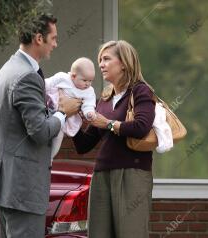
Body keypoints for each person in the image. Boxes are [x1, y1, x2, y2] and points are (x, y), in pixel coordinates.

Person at [0, 13, 82, 238]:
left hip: (7, 186)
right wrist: (64, 112)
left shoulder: (10, 68)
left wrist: (54, 112)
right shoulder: (26, 76)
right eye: (53, 38)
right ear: (38, 38)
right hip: (21, 188)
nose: (56, 43)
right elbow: (40, 132)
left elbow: (24, 122)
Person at [72, 40, 155, 238]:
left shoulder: (141, 91)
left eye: (107, 59)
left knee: (130, 234)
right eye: (100, 59)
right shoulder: (105, 99)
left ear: (124, 63)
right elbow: (84, 145)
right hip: (102, 176)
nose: (100, 64)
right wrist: (70, 115)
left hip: (132, 175)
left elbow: (142, 127)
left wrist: (108, 124)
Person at [45, 57, 96, 159]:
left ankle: (49, 158)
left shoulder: (89, 91)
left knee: (58, 138)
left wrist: (89, 113)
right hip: (49, 110)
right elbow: (47, 84)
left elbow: (89, 104)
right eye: (85, 80)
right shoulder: (63, 78)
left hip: (65, 120)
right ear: (73, 76)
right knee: (45, 134)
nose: (87, 84)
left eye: (90, 81)